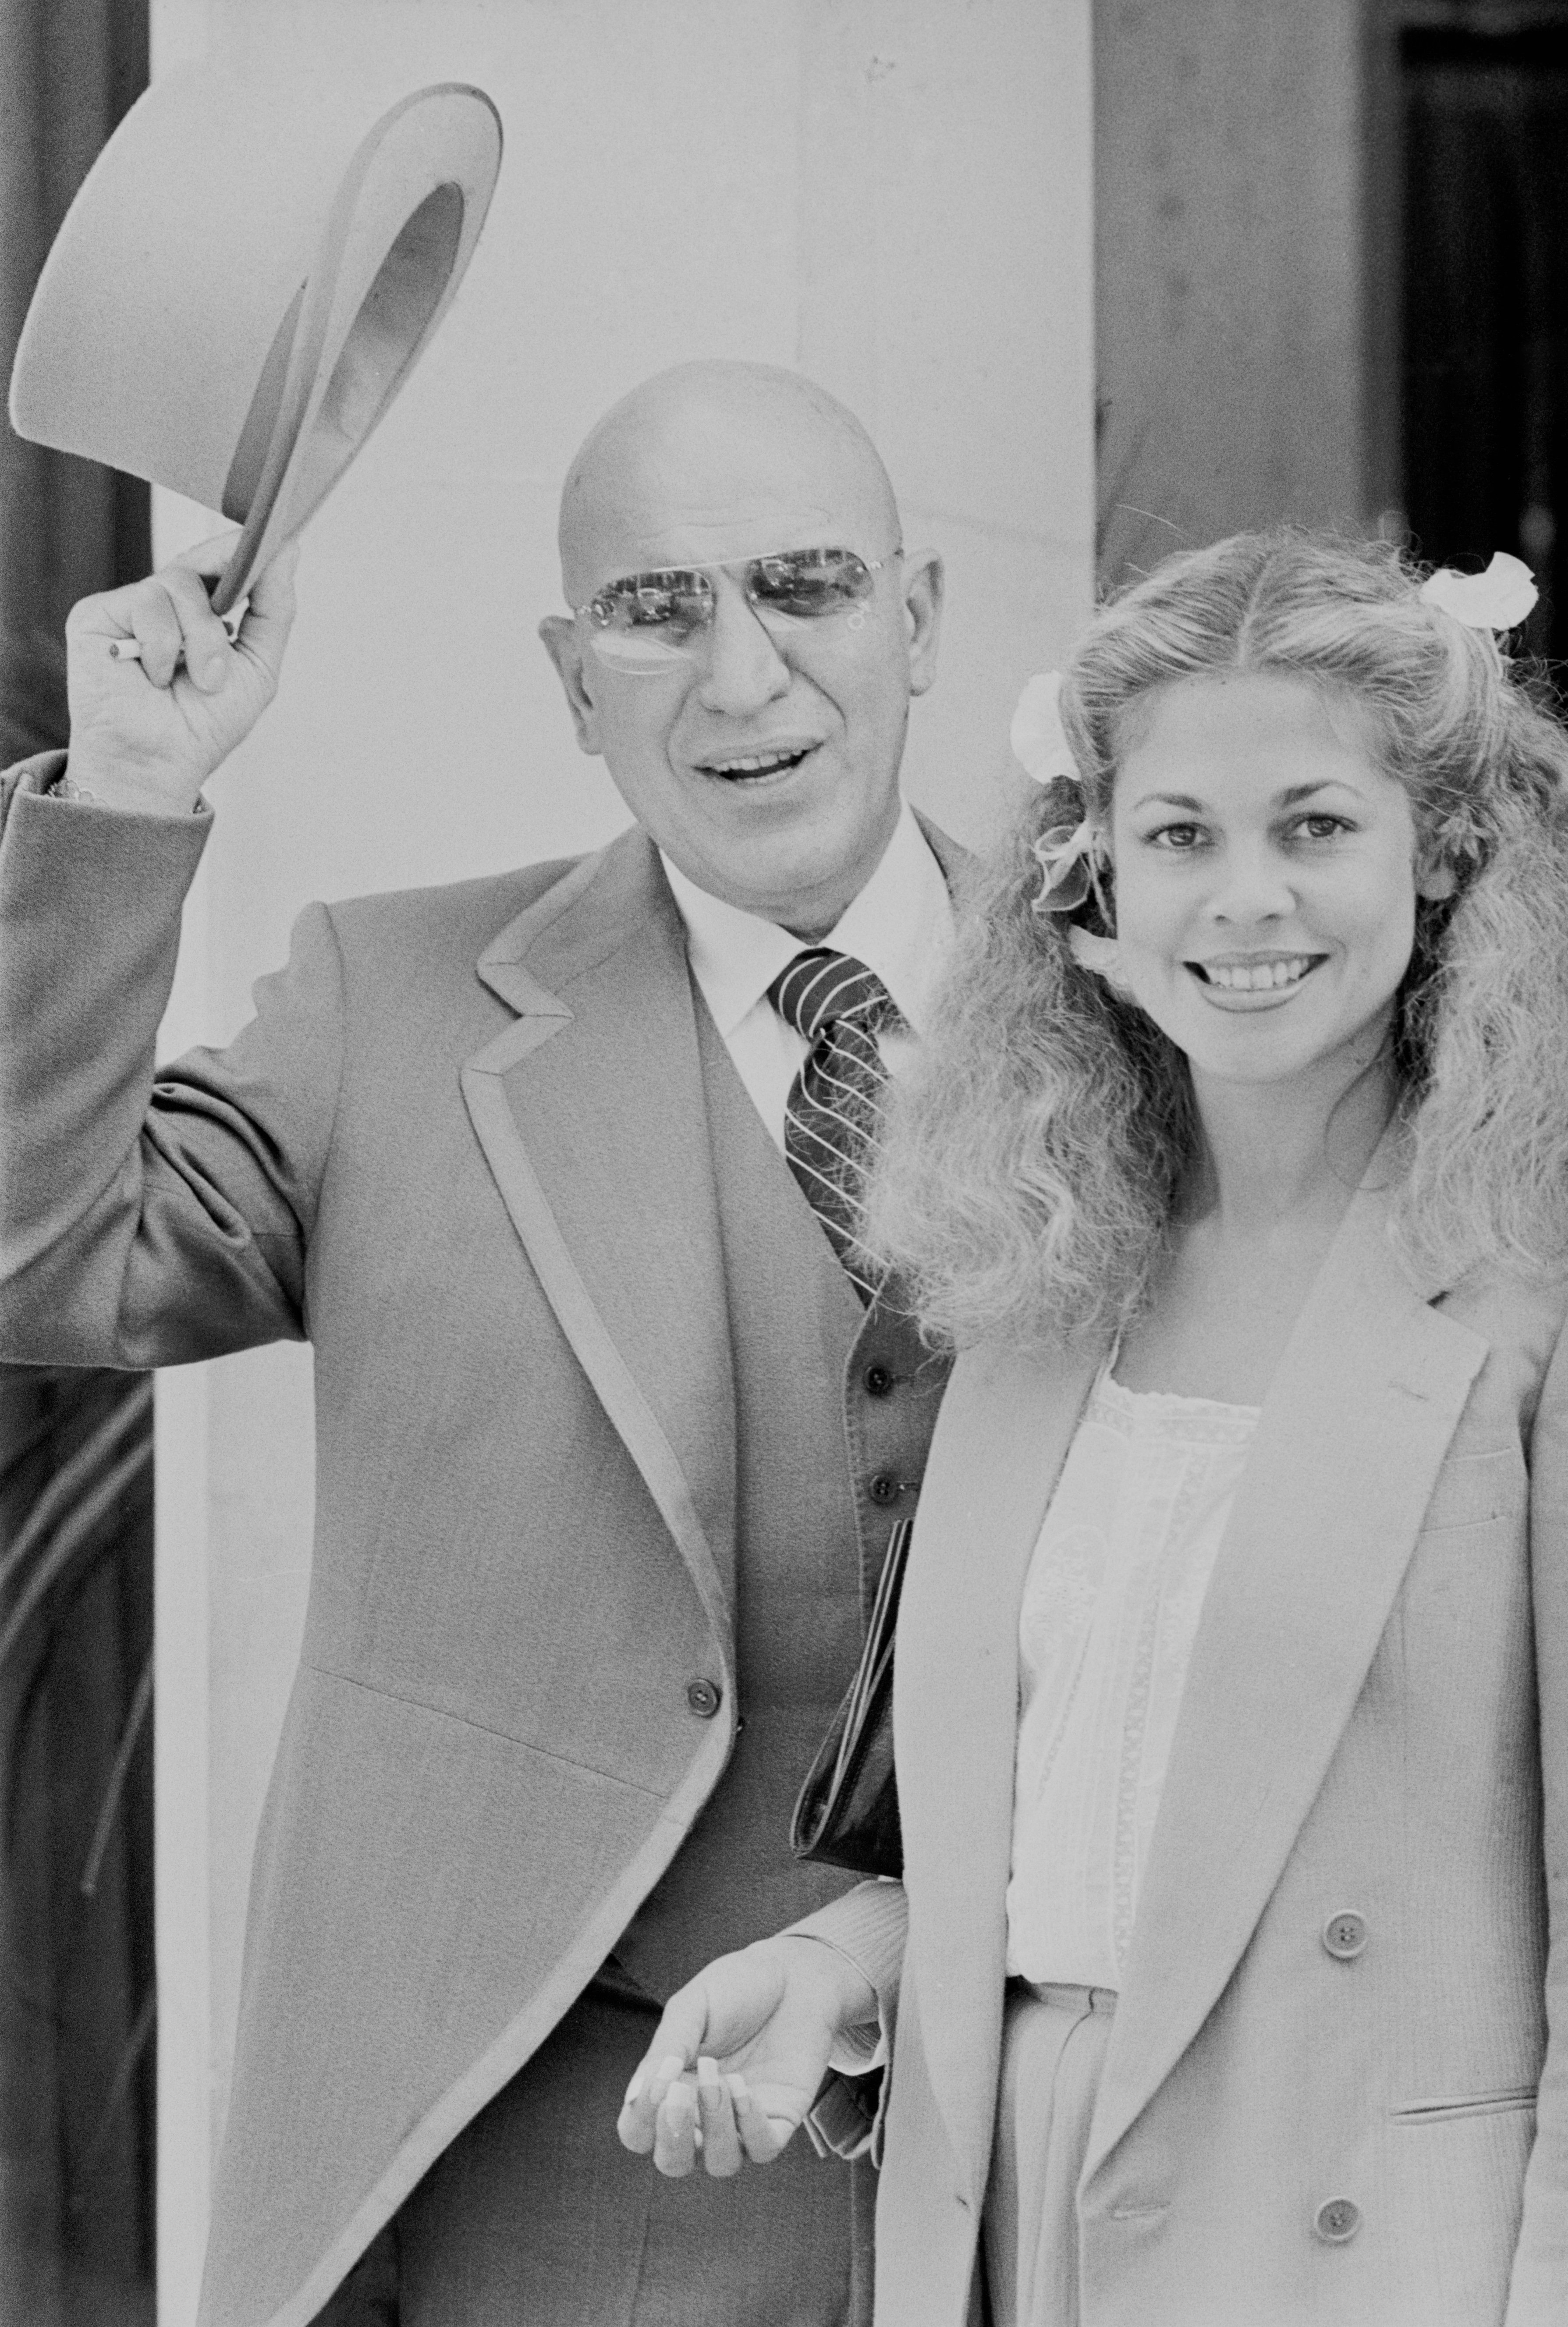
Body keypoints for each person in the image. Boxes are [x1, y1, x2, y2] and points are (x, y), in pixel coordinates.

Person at [0, 359, 961, 2327]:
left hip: (1068, 2140)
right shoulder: (394, 1001)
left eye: (806, 583)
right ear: (569, 673)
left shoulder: (1160, 998)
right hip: (572, 2165)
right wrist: (127, 794)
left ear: (922, 616)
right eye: (656, 607)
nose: (744, 672)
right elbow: (39, 1260)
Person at [619, 529, 1568, 2326]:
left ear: (1442, 853)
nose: (1243, 900)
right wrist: (843, 1969)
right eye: (1181, 836)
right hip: (1011, 2211)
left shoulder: (1527, 1296)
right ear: (1093, 873)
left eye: (1313, 825)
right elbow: (1094, 1830)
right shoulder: (1040, 1285)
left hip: (1382, 2245)